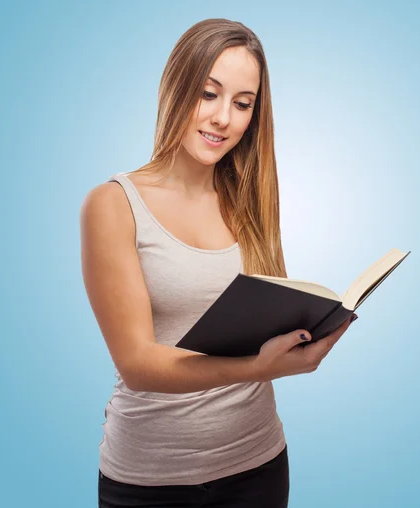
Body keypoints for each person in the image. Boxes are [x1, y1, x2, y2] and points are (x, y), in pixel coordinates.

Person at [80, 17, 356, 508]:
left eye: (242, 103)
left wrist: (313, 327)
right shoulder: (112, 204)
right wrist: (256, 367)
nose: (223, 118)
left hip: (259, 465)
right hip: (150, 483)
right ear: (175, 88)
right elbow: (139, 364)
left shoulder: (249, 202)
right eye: (208, 94)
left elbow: (261, 317)